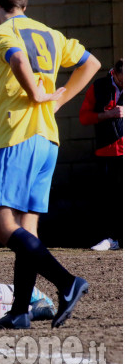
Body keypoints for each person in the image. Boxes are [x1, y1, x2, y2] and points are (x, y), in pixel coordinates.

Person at [0, 0, 100, 329]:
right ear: (25, 2)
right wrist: (58, 98)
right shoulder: (50, 34)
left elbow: (18, 60)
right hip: (47, 138)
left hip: (17, 135)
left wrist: (35, 95)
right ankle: (21, 310)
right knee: (28, 230)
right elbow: (91, 63)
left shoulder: (1, 32)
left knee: (2, 226)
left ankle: (66, 282)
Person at [79, 59, 123, 251]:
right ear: (114, 74)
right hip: (107, 151)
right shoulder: (99, 87)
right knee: (110, 198)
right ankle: (111, 238)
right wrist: (109, 114)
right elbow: (84, 117)